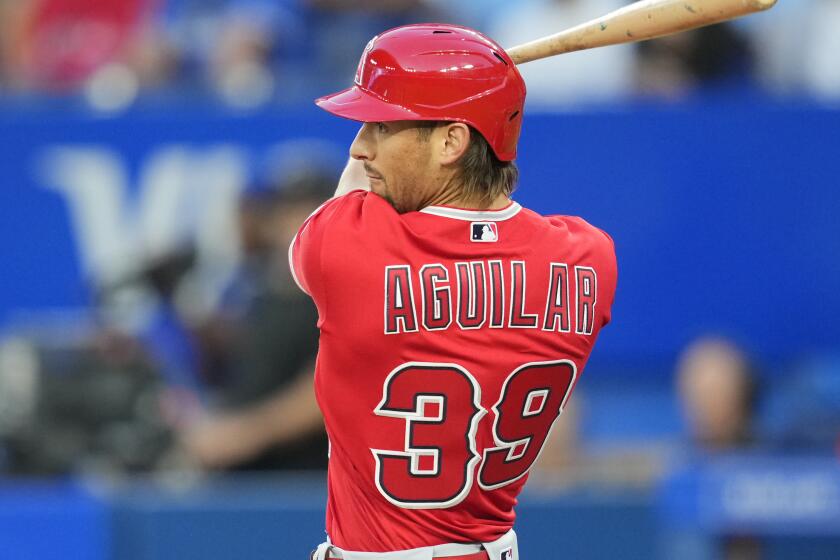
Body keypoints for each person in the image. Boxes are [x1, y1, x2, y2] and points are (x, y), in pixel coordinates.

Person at [289, 24, 618, 560]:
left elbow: (348, 195)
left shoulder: (350, 250)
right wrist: (460, 89)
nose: (360, 145)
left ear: (451, 141)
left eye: (382, 125)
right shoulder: (587, 257)